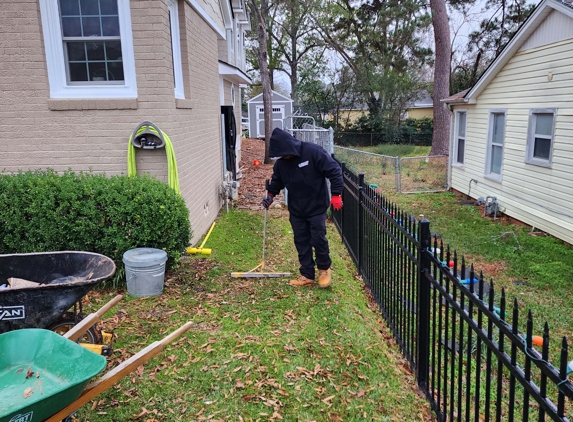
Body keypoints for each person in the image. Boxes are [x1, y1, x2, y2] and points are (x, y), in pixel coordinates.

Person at [261, 128, 343, 288]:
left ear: (289, 147)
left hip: (317, 205)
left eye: (284, 154)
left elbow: (334, 171)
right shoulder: (281, 164)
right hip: (297, 208)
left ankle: (324, 270)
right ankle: (307, 274)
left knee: (318, 238)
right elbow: (277, 180)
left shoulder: (312, 152)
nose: (283, 158)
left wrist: (336, 194)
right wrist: (270, 195)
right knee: (301, 240)